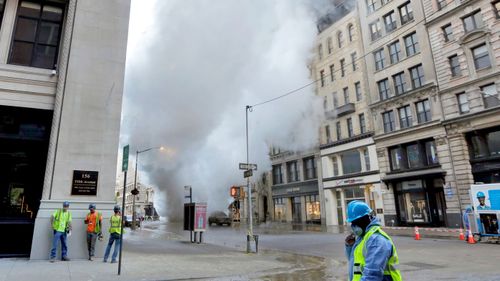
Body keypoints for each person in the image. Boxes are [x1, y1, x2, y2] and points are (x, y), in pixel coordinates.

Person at [345, 201, 402, 281]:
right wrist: (350, 246)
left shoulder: (376, 240)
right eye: (352, 223)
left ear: (366, 219)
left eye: (356, 222)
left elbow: (372, 276)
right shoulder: (363, 237)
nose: (353, 226)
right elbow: (355, 259)